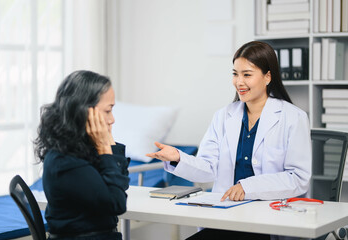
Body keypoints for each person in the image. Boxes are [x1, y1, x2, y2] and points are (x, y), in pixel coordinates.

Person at [146, 41, 312, 240]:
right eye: (235, 74)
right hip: (227, 216)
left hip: (269, 219)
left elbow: (298, 177)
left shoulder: (293, 117)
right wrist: (177, 158)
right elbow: (208, 167)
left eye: (247, 74)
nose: (239, 82)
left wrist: (247, 187)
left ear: (267, 77)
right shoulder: (224, 116)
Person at [34, 70, 130, 240]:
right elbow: (116, 202)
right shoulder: (65, 161)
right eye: (108, 111)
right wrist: (104, 146)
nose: (112, 119)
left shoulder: (78, 147)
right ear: (84, 111)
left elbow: (118, 182)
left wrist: (105, 145)